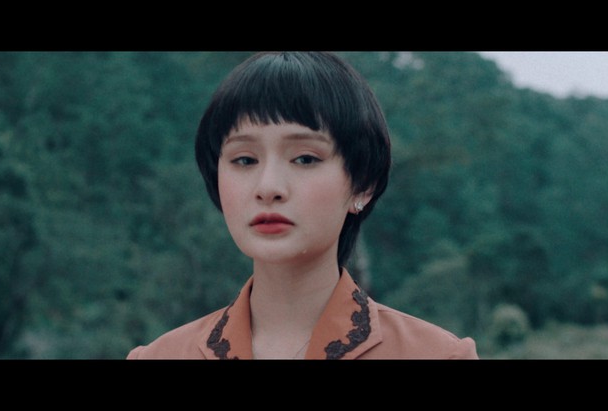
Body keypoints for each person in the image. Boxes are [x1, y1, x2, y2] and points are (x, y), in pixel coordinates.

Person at [127, 52, 479, 359]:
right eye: (245, 160)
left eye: (305, 159)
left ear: (362, 184)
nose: (269, 188)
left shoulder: (437, 354)